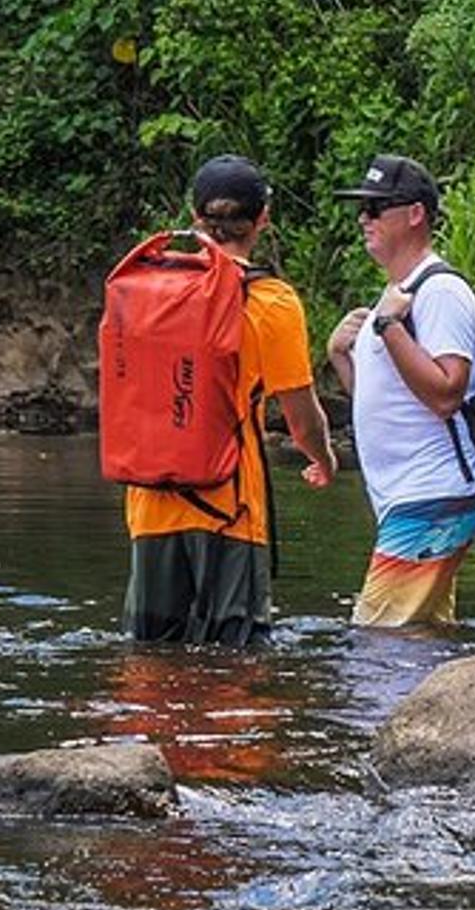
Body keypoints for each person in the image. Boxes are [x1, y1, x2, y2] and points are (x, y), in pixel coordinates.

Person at [123, 155, 336, 647]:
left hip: (150, 504)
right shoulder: (270, 301)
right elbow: (302, 420)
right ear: (263, 219)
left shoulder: (150, 290)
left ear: (196, 218)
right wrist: (324, 459)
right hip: (230, 508)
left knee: (150, 659)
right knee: (234, 660)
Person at [327, 154, 475, 628]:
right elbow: (388, 404)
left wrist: (389, 327)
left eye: (376, 208)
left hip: (431, 497)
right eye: (362, 209)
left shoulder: (439, 292)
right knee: (421, 636)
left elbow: (446, 394)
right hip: (415, 498)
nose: (364, 218)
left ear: (416, 213)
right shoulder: (399, 294)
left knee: (376, 641)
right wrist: (341, 357)